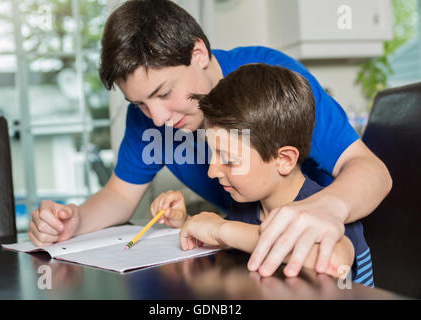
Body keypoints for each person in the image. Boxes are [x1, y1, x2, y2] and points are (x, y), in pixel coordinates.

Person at [28, 0, 391, 278]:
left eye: (164, 91)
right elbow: (120, 195)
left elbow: (369, 169)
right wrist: (75, 221)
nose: (158, 119)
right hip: (251, 256)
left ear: (198, 54)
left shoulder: (268, 85)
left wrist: (328, 207)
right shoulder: (150, 118)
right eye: (138, 103)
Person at [155, 64, 374, 285]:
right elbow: (234, 237)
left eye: (229, 159)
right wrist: (186, 221)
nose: (212, 171)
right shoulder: (246, 207)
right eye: (213, 154)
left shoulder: (327, 214)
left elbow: (333, 263)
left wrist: (222, 229)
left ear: (285, 160)